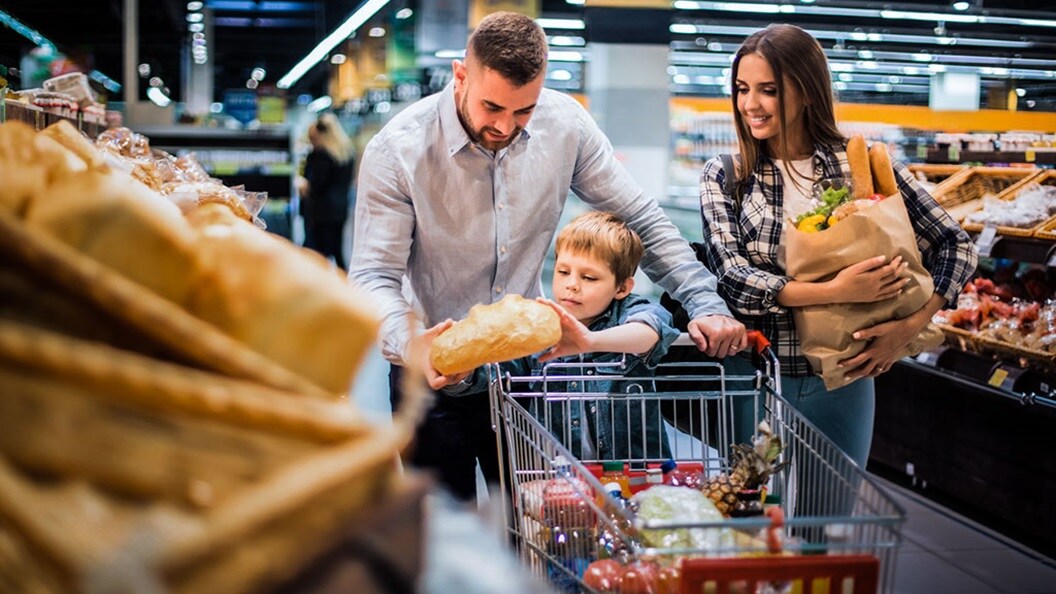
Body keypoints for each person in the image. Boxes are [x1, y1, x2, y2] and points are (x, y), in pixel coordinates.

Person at [350, 11, 746, 501]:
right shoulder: (398, 151)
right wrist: (414, 347)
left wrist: (705, 300)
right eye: (491, 106)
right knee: (439, 538)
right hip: (430, 374)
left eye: (524, 111)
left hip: (528, 376)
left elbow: (642, 217)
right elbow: (372, 276)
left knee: (540, 532)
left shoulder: (565, 126)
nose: (504, 126)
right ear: (460, 75)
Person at [696, 23, 978, 470]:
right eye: (742, 89)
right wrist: (837, 291)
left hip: (845, 377)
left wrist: (911, 328)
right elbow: (733, 278)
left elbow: (955, 246)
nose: (751, 104)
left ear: (806, 90)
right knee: (753, 520)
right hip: (754, 374)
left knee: (823, 526)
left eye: (768, 90)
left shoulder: (863, 165)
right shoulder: (729, 175)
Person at [457, 211, 681, 461]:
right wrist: (461, 376)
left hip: (635, 476)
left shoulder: (629, 312)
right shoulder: (538, 325)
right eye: (563, 272)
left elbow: (652, 329)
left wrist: (591, 341)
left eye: (588, 277)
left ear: (622, 288)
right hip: (560, 480)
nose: (572, 284)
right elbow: (497, 369)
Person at [297, 113, 355, 269]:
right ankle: (344, 287)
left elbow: (316, 185)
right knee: (338, 251)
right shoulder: (347, 154)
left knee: (316, 255)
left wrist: (303, 186)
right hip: (340, 210)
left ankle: (319, 289)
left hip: (319, 211)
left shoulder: (321, 155)